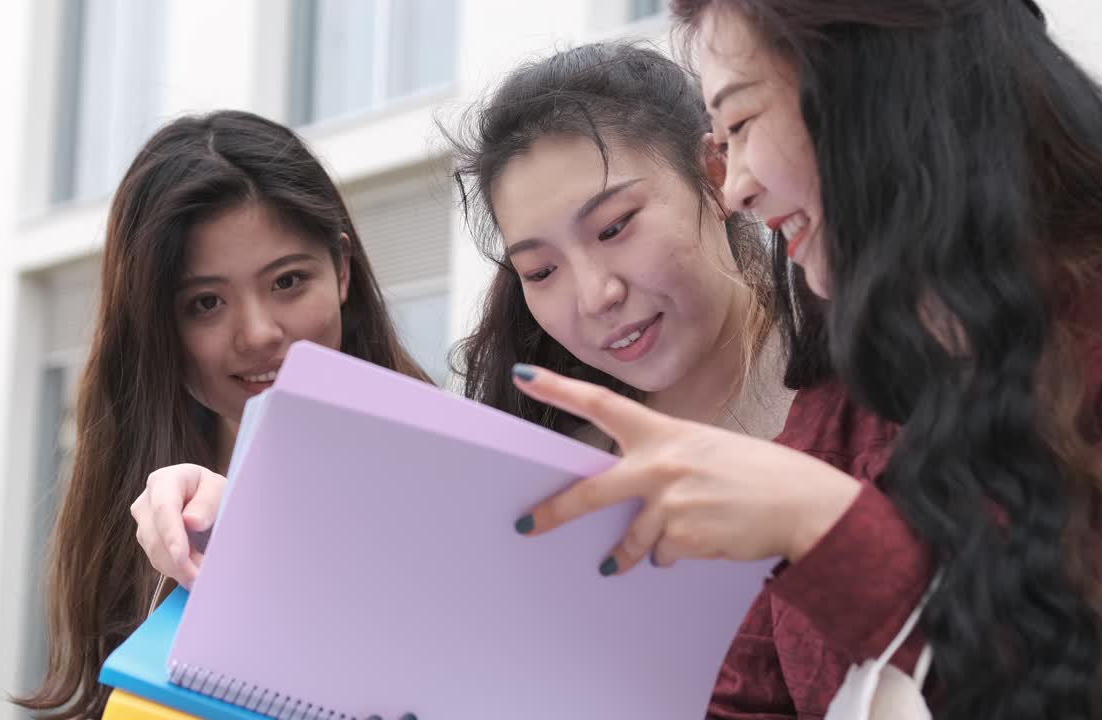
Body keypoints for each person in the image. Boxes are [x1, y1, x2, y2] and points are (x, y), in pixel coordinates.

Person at [511, 2, 1102, 718]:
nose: (737, 186)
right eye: (538, 270)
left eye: (740, 126)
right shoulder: (843, 394)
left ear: (875, 86)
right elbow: (750, 697)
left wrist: (824, 525)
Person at [130, 42, 797, 591]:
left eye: (615, 227)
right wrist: (234, 511)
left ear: (716, 173)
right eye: (539, 271)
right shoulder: (531, 465)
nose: (595, 295)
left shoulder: (856, 388)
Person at [15, 110, 429, 720]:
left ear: (341, 269)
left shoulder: (444, 484)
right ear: (158, 326)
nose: (259, 333)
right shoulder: (134, 513)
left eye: (288, 281)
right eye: (206, 303)